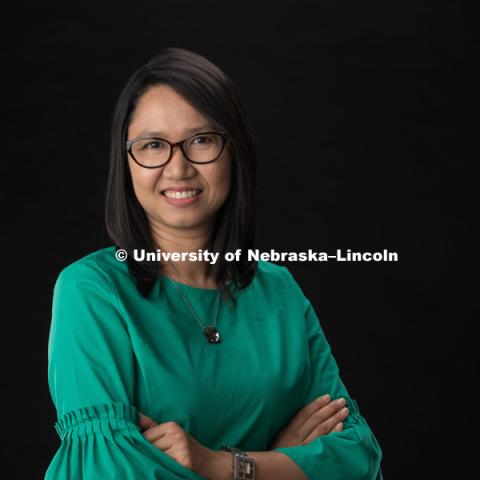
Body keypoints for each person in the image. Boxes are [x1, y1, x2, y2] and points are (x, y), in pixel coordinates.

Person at [45, 47, 383, 480]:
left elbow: (357, 460)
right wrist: (277, 465)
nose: (178, 168)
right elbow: (106, 473)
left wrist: (223, 465)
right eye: (152, 145)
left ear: (235, 152)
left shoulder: (279, 290)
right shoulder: (90, 292)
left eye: (201, 140)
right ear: (126, 163)